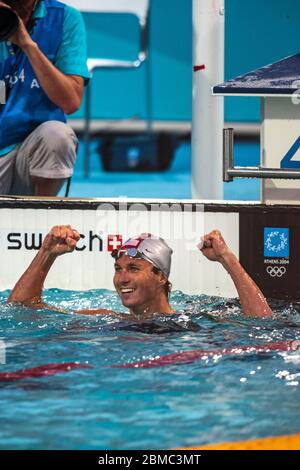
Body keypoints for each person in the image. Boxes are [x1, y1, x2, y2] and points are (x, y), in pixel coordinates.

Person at [7, 225, 273, 320]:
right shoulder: (105, 319)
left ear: (161, 277)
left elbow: (262, 322)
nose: (122, 279)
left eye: (133, 268)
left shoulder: (191, 323)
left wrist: (227, 259)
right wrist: (46, 254)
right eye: (118, 269)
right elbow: (21, 309)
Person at [0, 0, 89, 196]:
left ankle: (43, 214)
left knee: (57, 135)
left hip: (32, 155)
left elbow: (71, 101)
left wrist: (28, 46)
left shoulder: (65, 18)